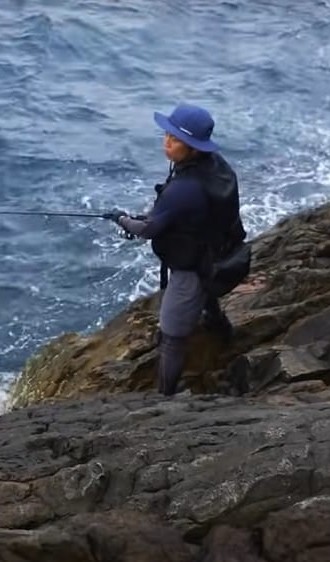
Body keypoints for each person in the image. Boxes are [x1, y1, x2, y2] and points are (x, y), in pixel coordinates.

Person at [105, 103, 247, 396]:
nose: (166, 141)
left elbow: (149, 230)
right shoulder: (215, 166)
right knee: (206, 297)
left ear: (193, 148)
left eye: (176, 139)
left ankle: (164, 398)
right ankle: (223, 333)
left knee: (171, 336)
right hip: (216, 253)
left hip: (193, 265)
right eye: (167, 134)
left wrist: (121, 218)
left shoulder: (184, 188)